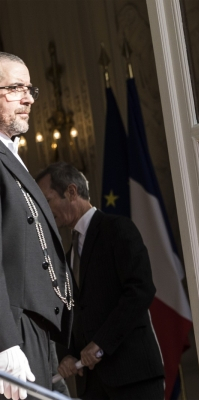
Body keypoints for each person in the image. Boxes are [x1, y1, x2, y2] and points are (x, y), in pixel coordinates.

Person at [36, 162, 164, 400]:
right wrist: (68, 354)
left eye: (48, 199)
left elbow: (140, 291)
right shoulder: (67, 256)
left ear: (72, 192)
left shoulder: (117, 229)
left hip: (133, 377)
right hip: (93, 386)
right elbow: (74, 312)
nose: (44, 208)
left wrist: (101, 343)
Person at [0, 52, 72, 400]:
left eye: (29, 89)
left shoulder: (11, 155)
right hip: (14, 329)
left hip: (36, 330)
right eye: (14, 88)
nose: (28, 98)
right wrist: (5, 343)